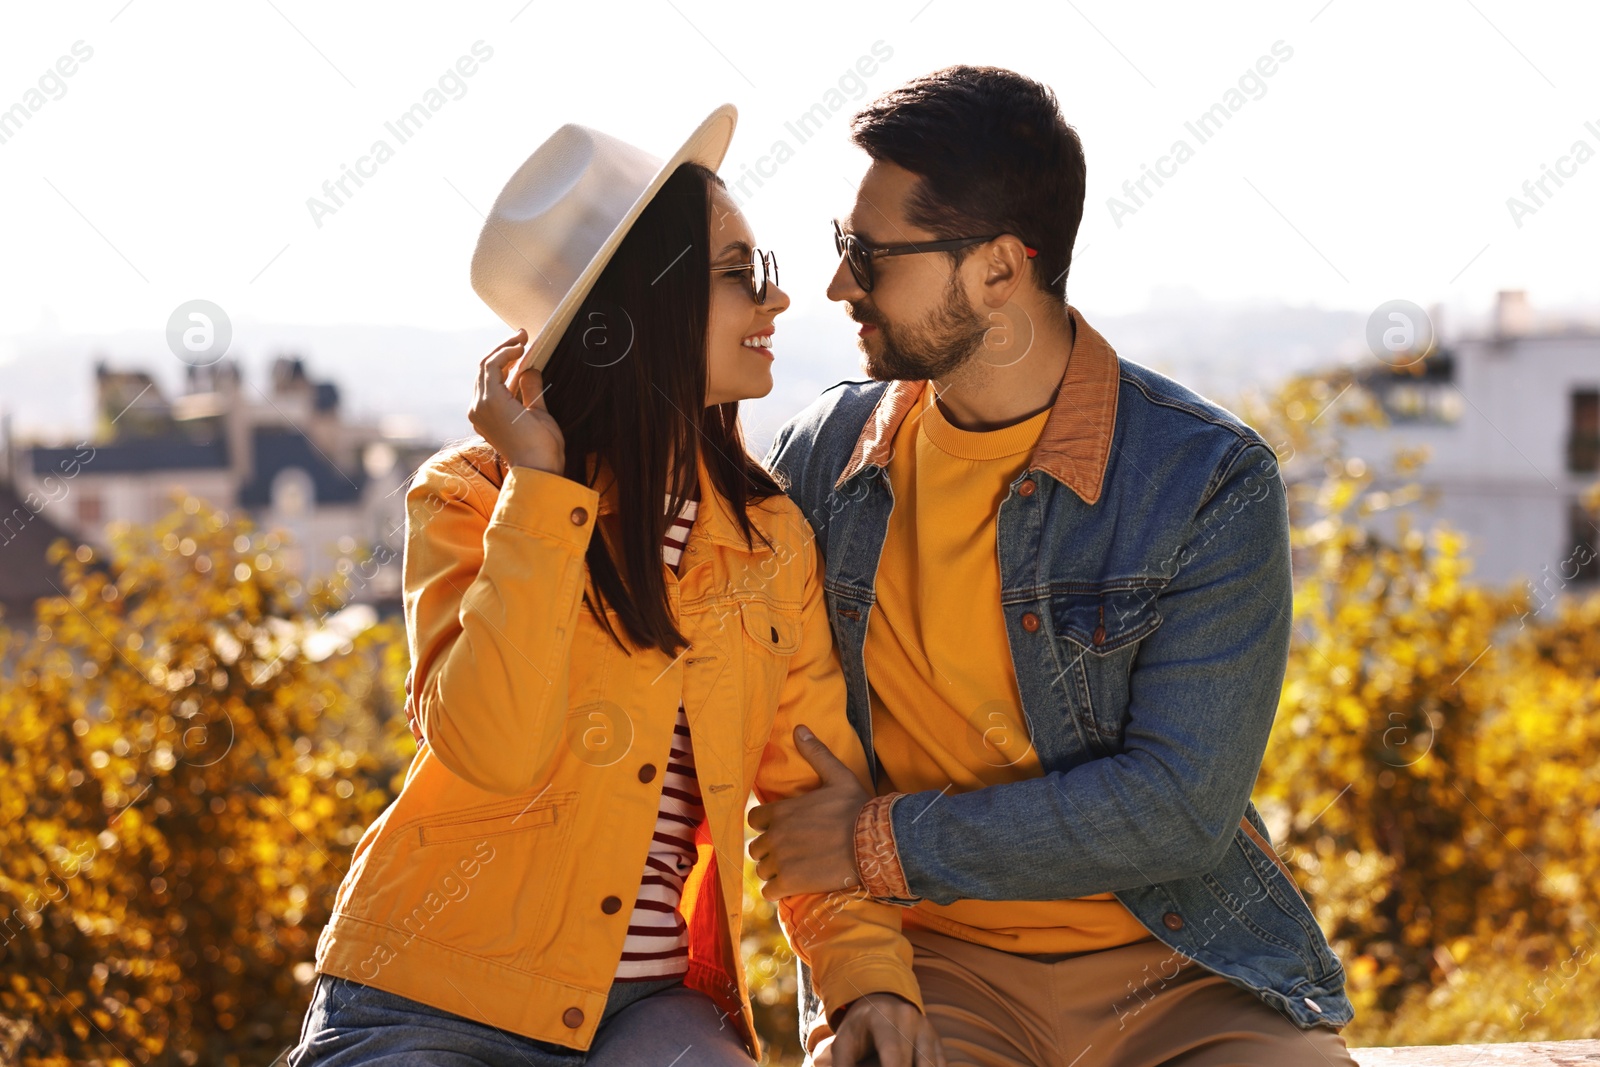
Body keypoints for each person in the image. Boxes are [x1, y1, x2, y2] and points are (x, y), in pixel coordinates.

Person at [289, 106, 942, 1067]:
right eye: (739, 274)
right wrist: (544, 495)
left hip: (651, 1014)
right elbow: (494, 748)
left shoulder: (770, 543)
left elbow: (812, 795)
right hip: (429, 991)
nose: (779, 301)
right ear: (640, 305)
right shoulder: (473, 499)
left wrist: (866, 983)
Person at [747, 67, 1363, 1066]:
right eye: (839, 247)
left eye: (867, 254)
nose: (838, 284)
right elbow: (761, 717)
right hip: (939, 971)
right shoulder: (825, 459)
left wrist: (880, 842)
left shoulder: (1205, 480)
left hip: (1180, 966)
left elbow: (1176, 808)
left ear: (997, 270)